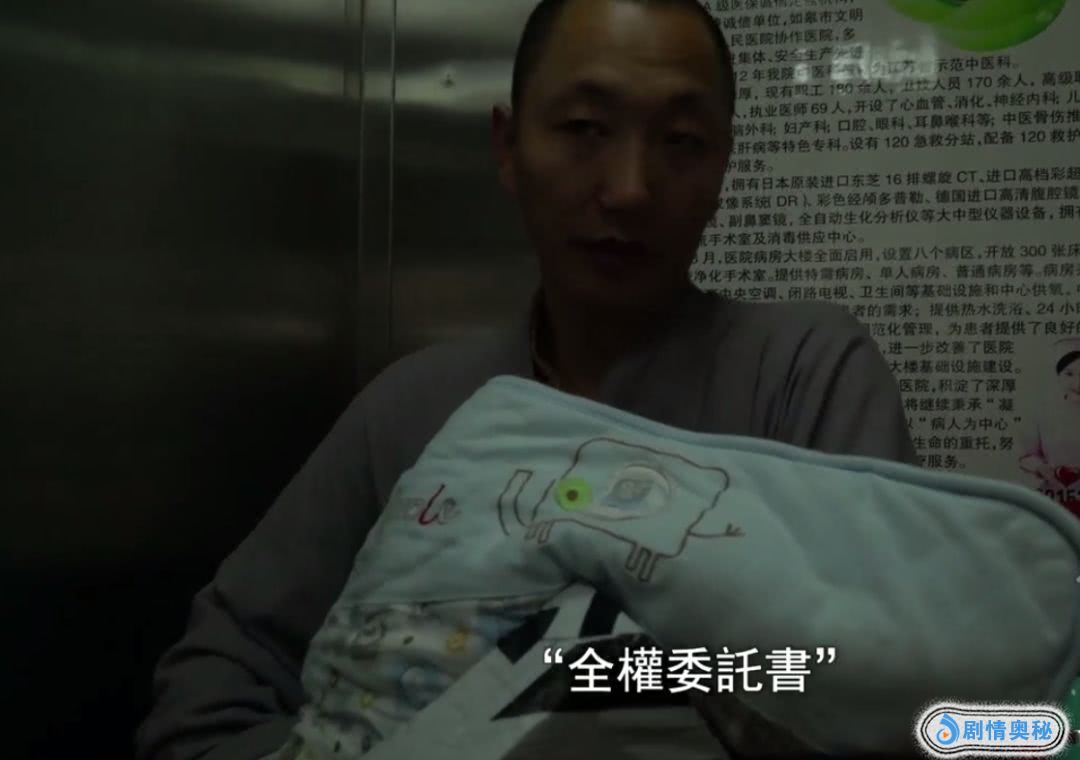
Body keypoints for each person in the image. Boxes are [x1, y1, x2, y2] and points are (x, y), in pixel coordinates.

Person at [135, 1, 917, 759]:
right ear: (508, 147)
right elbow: (212, 692)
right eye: (584, 129)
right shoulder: (411, 412)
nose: (630, 187)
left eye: (682, 140)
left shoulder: (803, 376)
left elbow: (879, 690)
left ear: (722, 168)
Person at [1020, 337, 1080, 515]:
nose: (1077, 384)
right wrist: (1042, 469)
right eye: (1069, 374)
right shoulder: (1044, 412)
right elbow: (1026, 456)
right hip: (1056, 495)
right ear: (1058, 375)